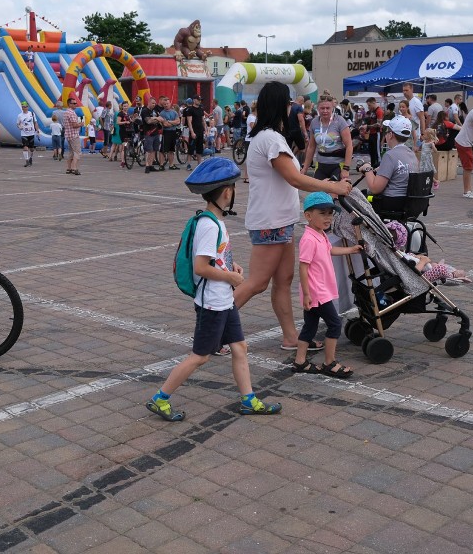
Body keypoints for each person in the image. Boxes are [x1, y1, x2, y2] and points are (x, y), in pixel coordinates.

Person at [145, 158, 282, 421]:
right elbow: (200, 267)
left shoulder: (212, 222)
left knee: (240, 347)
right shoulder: (210, 225)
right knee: (200, 356)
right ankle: (160, 398)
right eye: (233, 189)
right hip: (212, 302)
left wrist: (232, 265)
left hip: (224, 300)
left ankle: (249, 399)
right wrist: (230, 276)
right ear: (227, 192)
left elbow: (212, 258)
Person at [233, 81, 352, 352]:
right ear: (281, 106)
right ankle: (213, 329)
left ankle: (291, 338)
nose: (291, 108)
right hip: (270, 222)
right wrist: (332, 187)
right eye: (288, 103)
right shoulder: (270, 139)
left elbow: (292, 178)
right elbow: (295, 178)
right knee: (257, 283)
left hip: (281, 221)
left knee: (284, 280)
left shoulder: (268, 137)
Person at [287, 192, 361, 377]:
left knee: (310, 326)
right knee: (335, 324)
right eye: (322, 213)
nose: (328, 218)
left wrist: (350, 249)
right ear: (308, 216)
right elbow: (303, 268)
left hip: (319, 291)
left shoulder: (320, 234)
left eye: (330, 213)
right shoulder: (309, 239)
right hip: (317, 292)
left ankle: (300, 362)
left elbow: (330, 250)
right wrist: (306, 293)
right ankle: (330, 363)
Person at [357, 116, 419, 215]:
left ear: (390, 135)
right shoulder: (411, 154)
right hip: (408, 201)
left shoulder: (390, 155)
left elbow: (375, 188)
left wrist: (367, 168)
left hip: (391, 201)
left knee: (359, 196)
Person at [301, 95, 353, 181]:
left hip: (337, 165)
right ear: (318, 108)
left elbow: (349, 146)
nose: (325, 111)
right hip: (321, 164)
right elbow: (311, 147)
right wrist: (305, 168)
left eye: (328, 108)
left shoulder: (340, 121)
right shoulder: (314, 122)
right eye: (322, 108)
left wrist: (346, 168)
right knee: (318, 193)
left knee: (334, 193)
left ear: (333, 108)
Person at [141, 96, 163, 173]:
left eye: (155, 103)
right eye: (153, 103)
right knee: (148, 150)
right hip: (148, 133)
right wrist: (157, 119)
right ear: (149, 103)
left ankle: (151, 165)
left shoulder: (155, 111)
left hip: (156, 133)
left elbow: (161, 119)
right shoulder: (145, 111)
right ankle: (147, 165)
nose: (154, 105)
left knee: (154, 150)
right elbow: (148, 121)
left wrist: (155, 118)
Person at [159, 96, 180, 170]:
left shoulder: (174, 112)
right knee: (163, 150)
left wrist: (170, 122)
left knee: (172, 150)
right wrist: (173, 122)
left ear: (170, 103)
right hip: (166, 132)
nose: (166, 105)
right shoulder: (162, 113)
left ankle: (171, 165)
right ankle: (161, 165)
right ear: (163, 105)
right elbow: (165, 124)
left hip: (173, 132)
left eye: (167, 103)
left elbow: (178, 121)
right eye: (165, 104)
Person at [63, 97, 83, 175]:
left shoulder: (66, 112)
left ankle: (69, 168)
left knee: (71, 152)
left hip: (68, 135)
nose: (76, 105)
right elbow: (74, 125)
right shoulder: (71, 113)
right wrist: (80, 124)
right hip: (73, 135)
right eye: (74, 103)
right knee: (77, 152)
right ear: (69, 104)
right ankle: (74, 168)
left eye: (76, 103)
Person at [16, 101, 37, 167]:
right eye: (23, 107)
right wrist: (20, 127)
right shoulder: (20, 115)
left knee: (32, 148)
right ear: (22, 108)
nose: (24, 108)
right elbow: (17, 123)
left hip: (31, 133)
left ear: (28, 107)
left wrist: (38, 130)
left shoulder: (32, 114)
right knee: (25, 148)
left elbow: (35, 122)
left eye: (26, 107)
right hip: (24, 134)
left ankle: (31, 158)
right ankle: (27, 161)